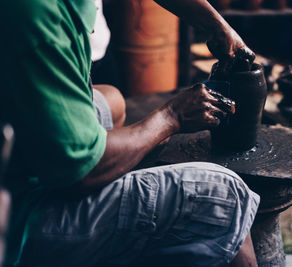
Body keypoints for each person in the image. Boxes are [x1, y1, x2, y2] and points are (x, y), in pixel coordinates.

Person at [0, 0, 259, 266]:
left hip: (16, 146)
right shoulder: (38, 17)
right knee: (226, 195)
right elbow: (82, 173)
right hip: (19, 216)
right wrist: (172, 117)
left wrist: (215, 25)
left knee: (112, 100)